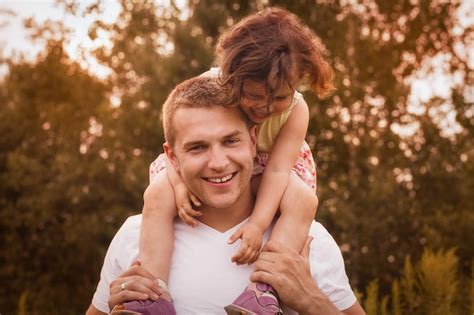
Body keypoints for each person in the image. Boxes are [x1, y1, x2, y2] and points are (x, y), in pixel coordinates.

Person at [85, 76, 365, 315]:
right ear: (172, 156)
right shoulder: (135, 235)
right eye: (197, 147)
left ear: (254, 141)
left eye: (230, 141)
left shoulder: (305, 239)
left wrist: (313, 303)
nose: (218, 162)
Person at [139, 7, 334, 313]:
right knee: (155, 194)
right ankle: (151, 295)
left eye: (279, 97)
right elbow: (181, 144)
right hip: (221, 160)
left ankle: (263, 293)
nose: (267, 107)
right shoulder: (212, 87)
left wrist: (257, 224)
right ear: (234, 76)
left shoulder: (296, 110)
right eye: (255, 95)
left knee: (303, 201)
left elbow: (279, 169)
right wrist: (178, 187)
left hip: (267, 169)